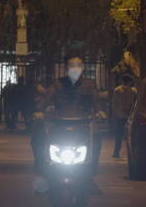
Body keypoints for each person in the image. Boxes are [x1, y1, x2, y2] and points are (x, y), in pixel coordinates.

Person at [32, 57, 107, 194]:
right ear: (66, 68)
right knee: (38, 138)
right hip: (59, 126)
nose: (75, 68)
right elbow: (46, 99)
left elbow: (96, 101)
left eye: (78, 65)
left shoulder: (89, 85)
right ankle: (42, 174)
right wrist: (39, 112)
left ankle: (89, 176)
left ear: (83, 67)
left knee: (96, 139)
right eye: (72, 65)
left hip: (82, 127)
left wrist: (100, 112)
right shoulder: (57, 84)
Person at [111, 75, 137, 158]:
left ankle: (116, 152)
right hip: (129, 115)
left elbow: (114, 104)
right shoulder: (133, 90)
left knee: (119, 134)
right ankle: (132, 153)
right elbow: (135, 101)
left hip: (120, 115)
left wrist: (114, 114)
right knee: (130, 135)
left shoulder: (117, 90)